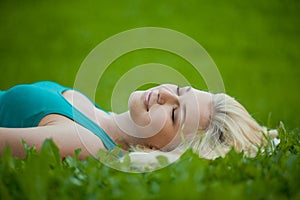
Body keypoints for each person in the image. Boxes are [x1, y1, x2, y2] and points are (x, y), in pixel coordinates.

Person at [0, 81, 276, 161]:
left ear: (161, 149)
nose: (164, 95)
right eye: (179, 90)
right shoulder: (101, 118)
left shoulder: (86, 144)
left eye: (174, 113)